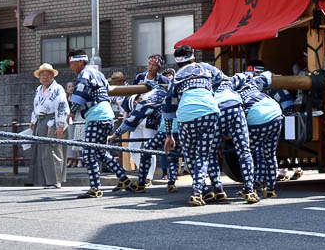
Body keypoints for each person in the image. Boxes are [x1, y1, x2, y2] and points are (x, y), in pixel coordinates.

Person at [67, 50, 133, 198]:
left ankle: (95, 188)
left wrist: (72, 112)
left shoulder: (85, 74)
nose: (70, 67)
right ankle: (123, 179)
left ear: (80, 61)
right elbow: (106, 91)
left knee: (88, 153)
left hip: (96, 116)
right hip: (106, 115)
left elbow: (81, 91)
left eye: (72, 63)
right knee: (101, 152)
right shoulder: (98, 74)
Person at [163, 45, 220, 206]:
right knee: (203, 155)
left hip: (185, 115)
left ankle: (201, 191)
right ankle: (200, 191)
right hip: (208, 112)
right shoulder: (205, 67)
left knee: (190, 156)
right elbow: (220, 78)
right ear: (193, 59)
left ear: (177, 64)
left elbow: (168, 106)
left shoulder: (176, 77)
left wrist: (169, 135)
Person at [206, 66, 258, 203]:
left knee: (211, 152)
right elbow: (245, 75)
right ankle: (249, 189)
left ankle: (218, 190)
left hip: (217, 111)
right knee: (244, 150)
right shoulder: (228, 82)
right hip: (235, 108)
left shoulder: (205, 87)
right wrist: (251, 74)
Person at [109, 81, 168, 190]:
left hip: (152, 123)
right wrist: (146, 82)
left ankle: (148, 178)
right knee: (133, 148)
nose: (136, 103)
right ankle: (143, 173)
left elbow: (130, 120)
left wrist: (114, 135)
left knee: (149, 149)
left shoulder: (145, 102)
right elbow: (155, 85)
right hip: (139, 124)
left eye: (136, 101)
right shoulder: (156, 91)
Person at [236, 65, 283, 199]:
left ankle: (249, 188)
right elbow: (267, 74)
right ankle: (271, 189)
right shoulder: (254, 83)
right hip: (275, 112)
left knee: (247, 153)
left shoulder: (233, 92)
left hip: (257, 116)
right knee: (270, 154)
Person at [28, 63, 69, 189]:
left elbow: (62, 107)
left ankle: (55, 181)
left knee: (52, 151)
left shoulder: (58, 89)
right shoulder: (39, 89)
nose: (45, 77)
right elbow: (36, 107)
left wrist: (60, 125)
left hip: (53, 121)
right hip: (40, 121)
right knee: (41, 152)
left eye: (48, 75)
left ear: (52, 76)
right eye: (42, 75)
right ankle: (45, 180)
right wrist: (33, 121)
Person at [65, 81, 81, 168]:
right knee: (70, 139)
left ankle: (77, 159)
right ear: (66, 89)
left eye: (72, 86)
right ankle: (70, 159)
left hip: (76, 119)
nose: (71, 88)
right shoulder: (65, 98)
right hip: (69, 120)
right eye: (69, 87)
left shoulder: (76, 98)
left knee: (76, 139)